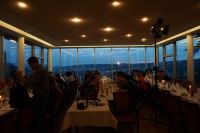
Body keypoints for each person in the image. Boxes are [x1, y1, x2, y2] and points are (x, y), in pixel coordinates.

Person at [24, 56, 49, 133]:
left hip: (41, 95)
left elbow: (32, 81)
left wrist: (24, 81)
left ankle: (40, 129)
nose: (30, 67)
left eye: (30, 65)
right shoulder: (41, 69)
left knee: (39, 114)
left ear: (33, 63)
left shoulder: (39, 71)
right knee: (40, 114)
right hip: (44, 94)